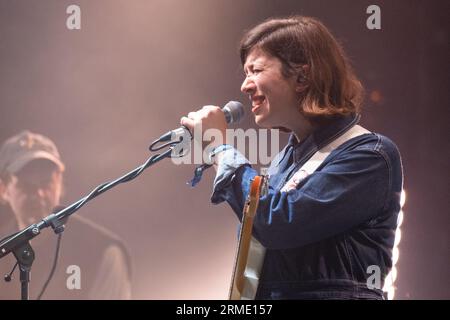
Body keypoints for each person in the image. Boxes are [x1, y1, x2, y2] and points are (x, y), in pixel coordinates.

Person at [180, 16, 403, 299]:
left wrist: (220, 147)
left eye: (255, 70)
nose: (245, 86)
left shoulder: (370, 156)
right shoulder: (283, 162)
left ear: (302, 76)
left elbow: (277, 223)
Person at [0, 131, 132, 299]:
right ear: (3, 189)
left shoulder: (103, 250)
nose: (39, 193)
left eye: (46, 182)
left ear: (60, 184)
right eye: (26, 185)